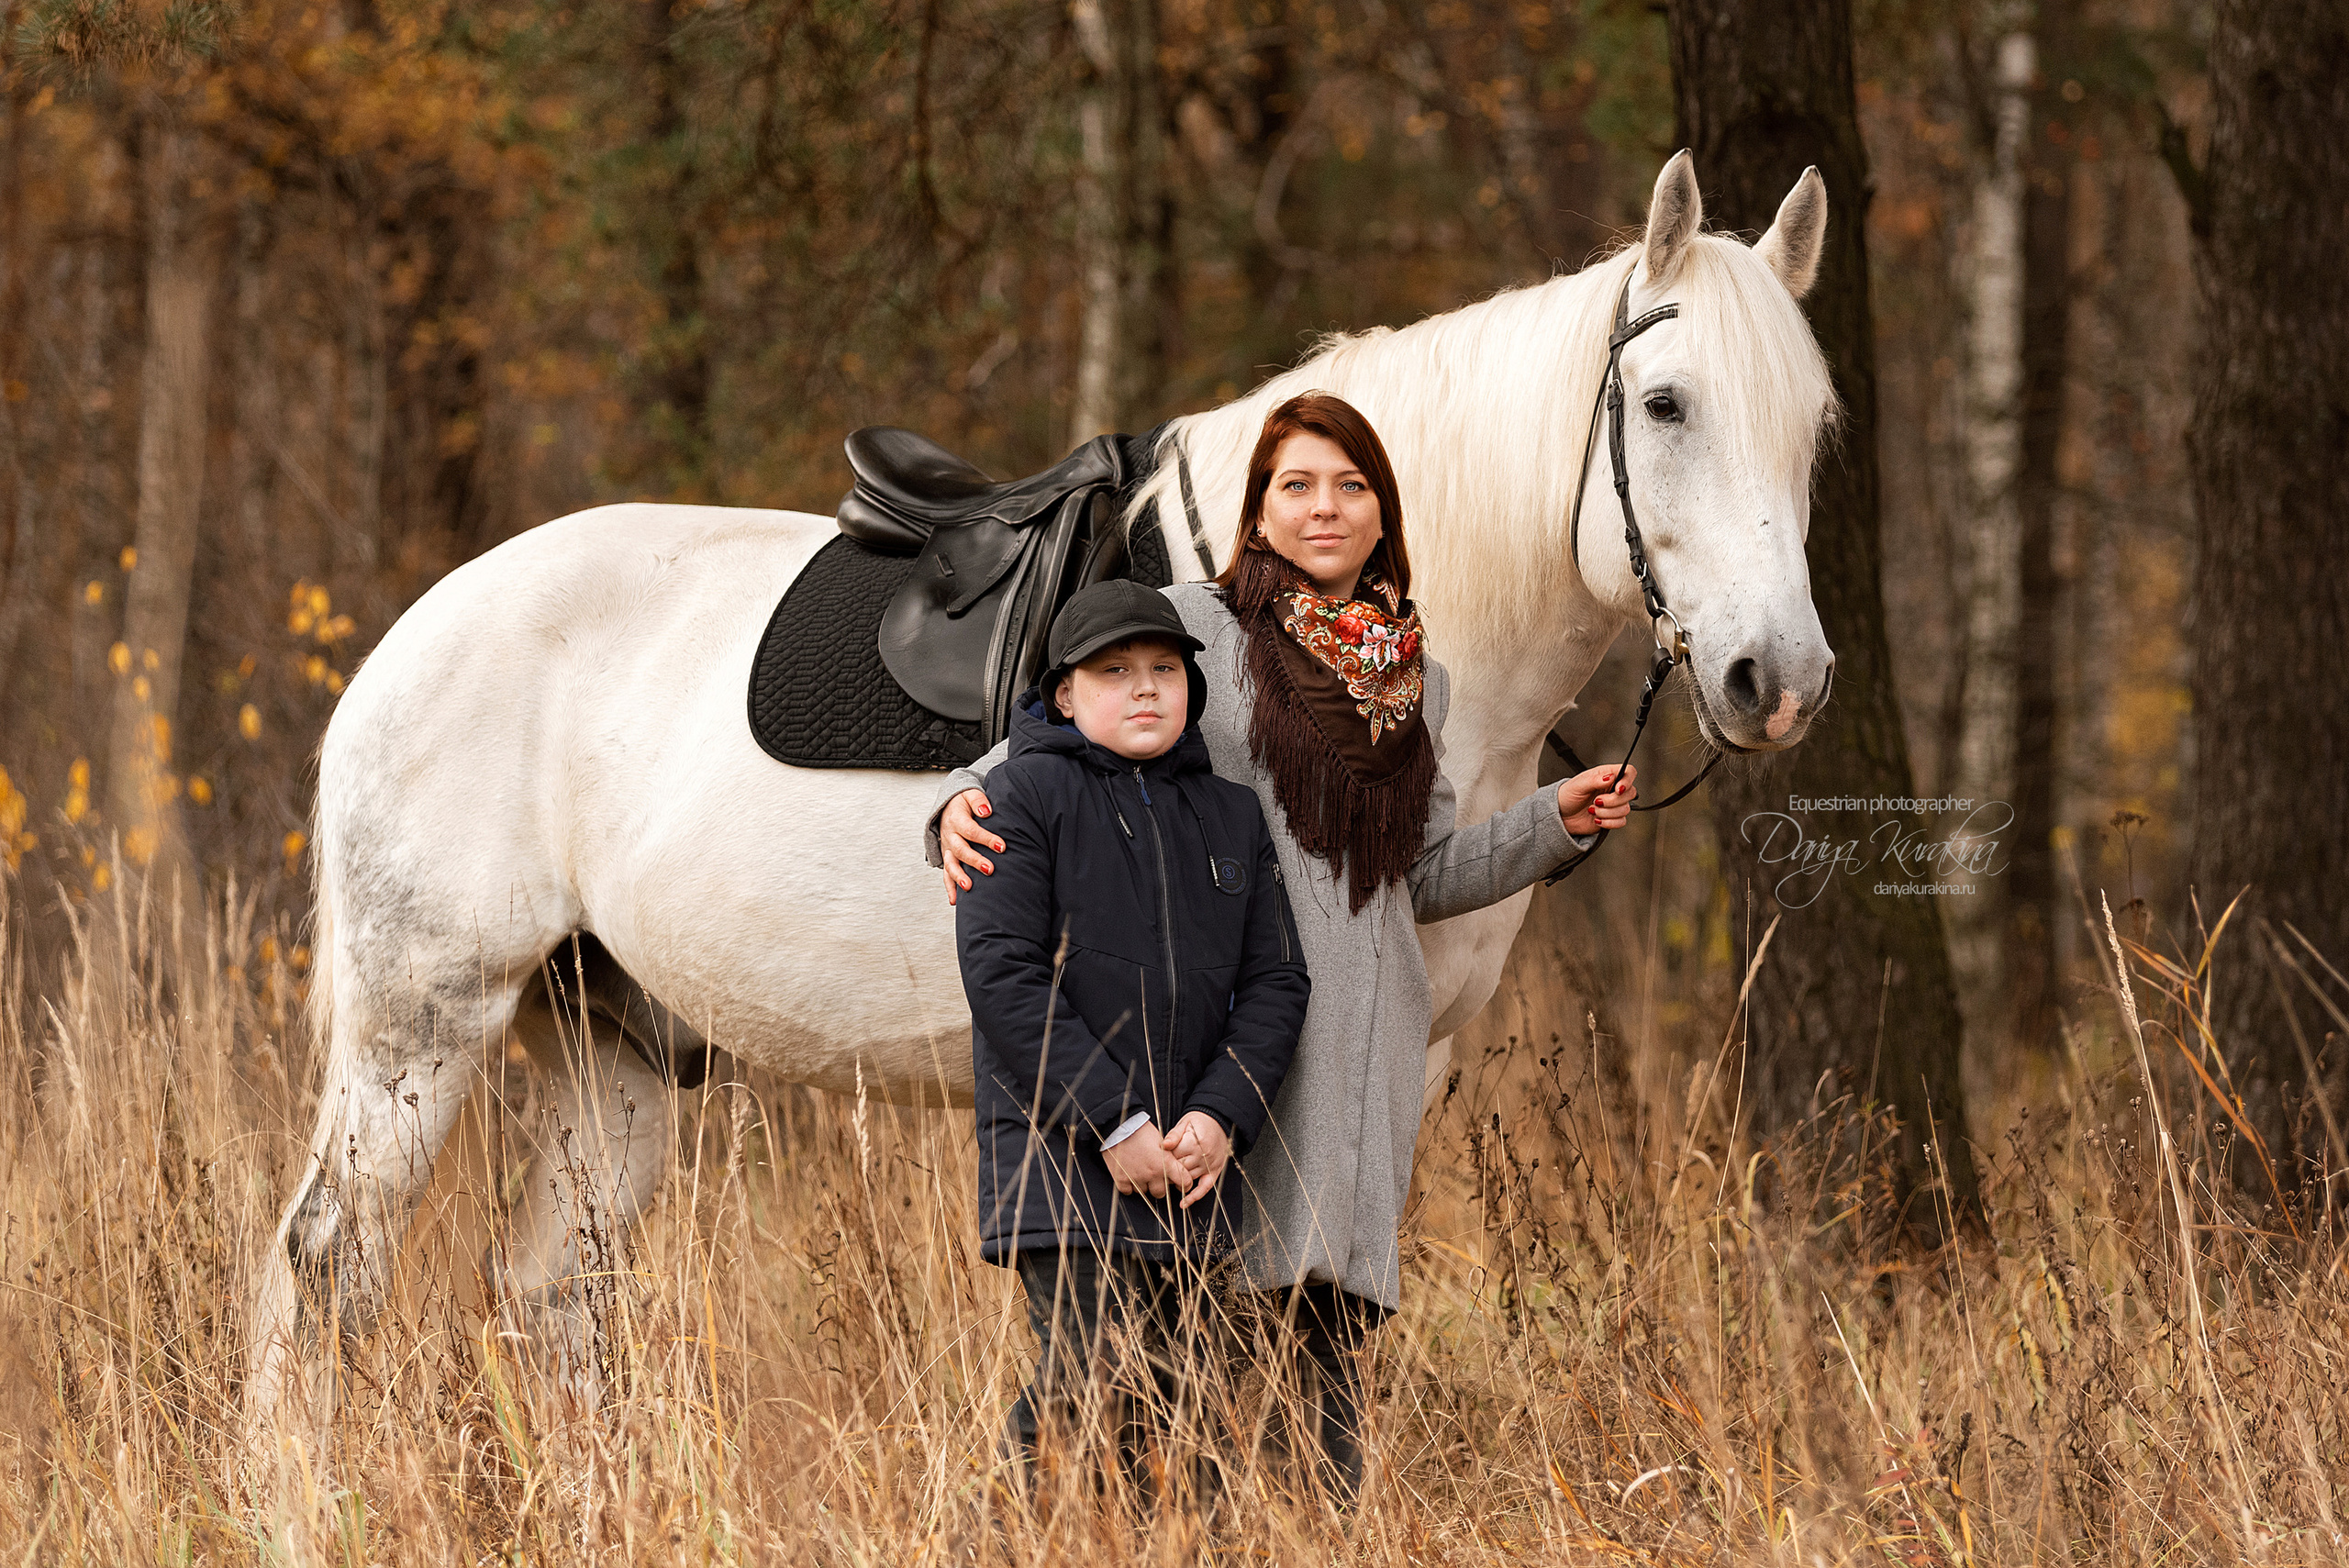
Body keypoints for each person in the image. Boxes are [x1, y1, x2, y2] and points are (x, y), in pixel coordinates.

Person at [931, 393, 1637, 1503]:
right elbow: (1056, 730)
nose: (1324, 508)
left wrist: (1552, 821)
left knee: (1321, 1338)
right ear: (1257, 510)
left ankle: (1309, 1527)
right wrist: (957, 803)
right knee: (1170, 1341)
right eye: (1295, 485)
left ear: (1382, 513)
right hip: (1232, 1035)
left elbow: (1413, 876)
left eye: (1351, 486)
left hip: (1354, 1034)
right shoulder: (1192, 628)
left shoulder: (1416, 679)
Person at [953, 577, 1311, 1495]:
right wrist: (1112, 1120)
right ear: (1064, 696)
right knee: (1084, 1384)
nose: (1145, 686)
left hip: (1190, 1170)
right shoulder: (1020, 796)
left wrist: (1220, 1117)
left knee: (1180, 1417)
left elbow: (1277, 980)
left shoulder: (1232, 814)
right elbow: (1003, 974)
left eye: (1164, 667)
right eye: (1113, 670)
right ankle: (994, 1544)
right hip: (1064, 1159)